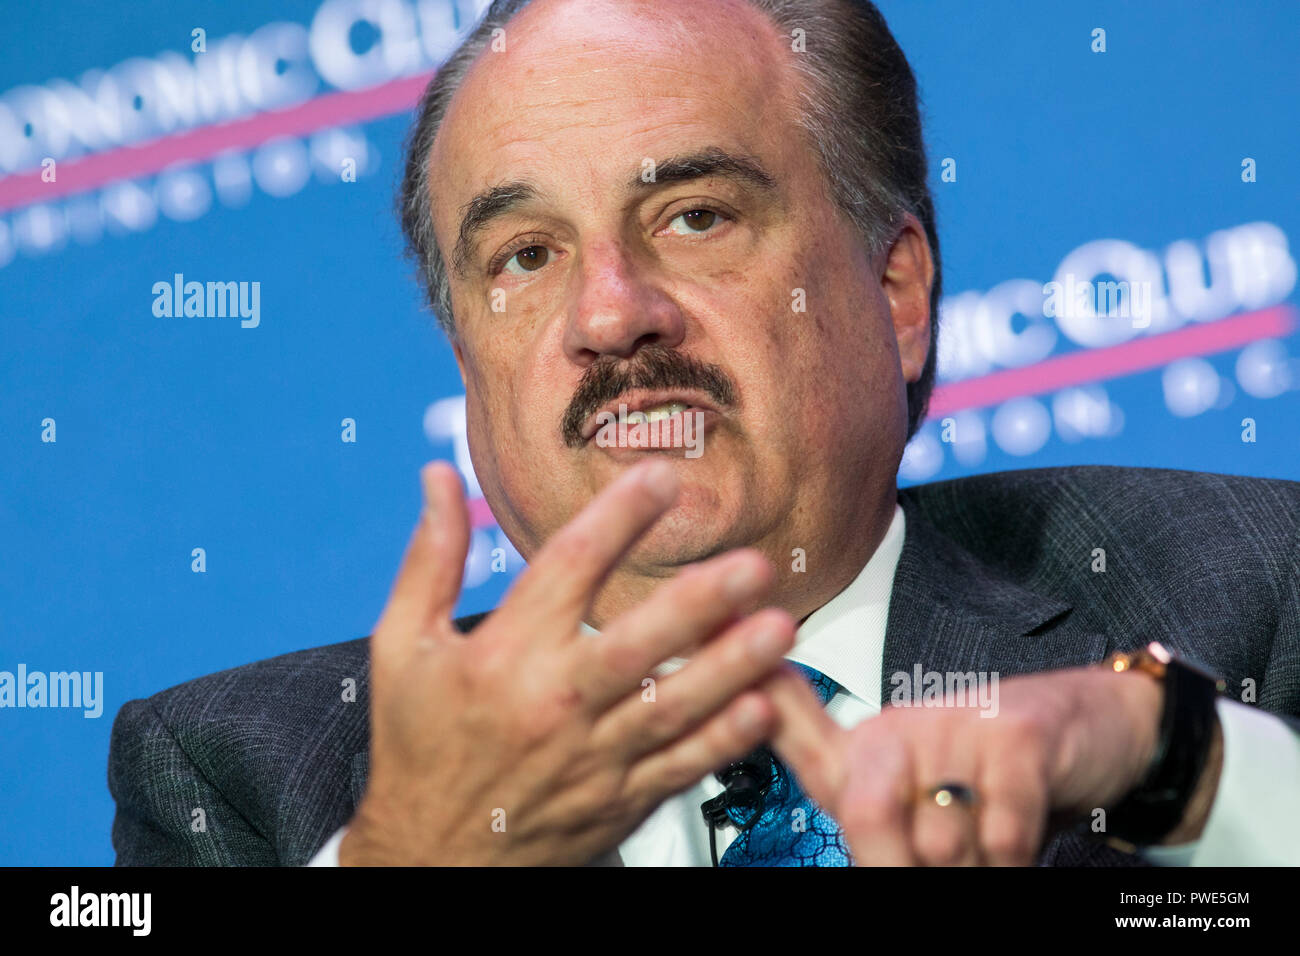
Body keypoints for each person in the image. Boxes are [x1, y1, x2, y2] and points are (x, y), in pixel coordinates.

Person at [109, 0, 1300, 867]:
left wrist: (1174, 762)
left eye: (693, 215)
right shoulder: (241, 777)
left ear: (895, 290)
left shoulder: (1244, 582)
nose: (611, 312)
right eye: (526, 255)